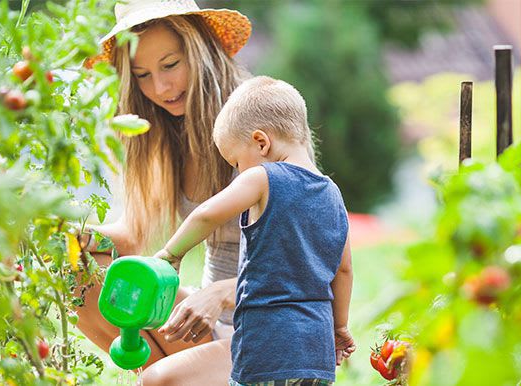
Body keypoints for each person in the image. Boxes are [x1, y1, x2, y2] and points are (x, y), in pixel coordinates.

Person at [76, 1, 252, 384]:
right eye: (142, 75)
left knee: (160, 380)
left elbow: (308, 265)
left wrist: (221, 292)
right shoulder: (165, 135)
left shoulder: (254, 118)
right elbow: (129, 240)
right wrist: (67, 235)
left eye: (170, 65)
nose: (160, 87)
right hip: (210, 323)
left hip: (268, 325)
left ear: (200, 49)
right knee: (81, 276)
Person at [153, 76, 356, 386]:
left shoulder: (263, 177)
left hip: (266, 353)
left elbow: (207, 215)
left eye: (236, 161)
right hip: (317, 356)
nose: (238, 171)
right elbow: (343, 270)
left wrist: (171, 254)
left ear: (262, 143)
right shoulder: (333, 193)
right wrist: (339, 326)